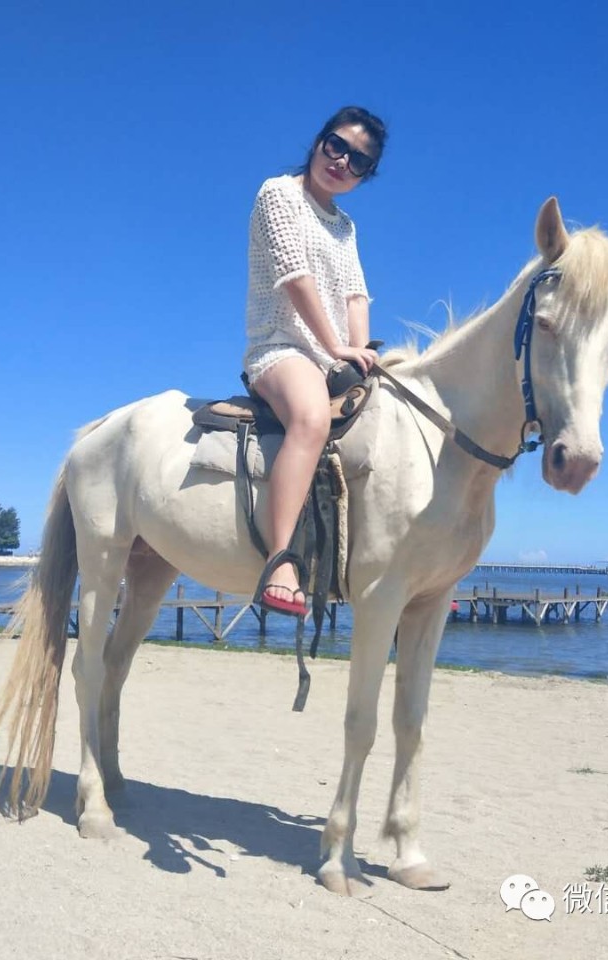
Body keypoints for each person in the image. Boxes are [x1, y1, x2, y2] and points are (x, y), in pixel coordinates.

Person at [243, 106, 386, 616]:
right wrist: (336, 348)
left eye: (359, 161)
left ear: (365, 175)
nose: (343, 162)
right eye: (337, 145)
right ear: (319, 141)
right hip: (280, 347)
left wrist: (361, 352)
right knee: (310, 418)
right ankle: (280, 559)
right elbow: (295, 277)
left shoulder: (345, 227)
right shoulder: (279, 193)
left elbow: (355, 296)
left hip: (330, 356)